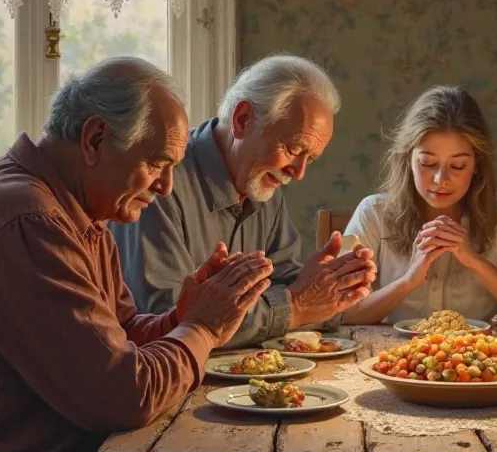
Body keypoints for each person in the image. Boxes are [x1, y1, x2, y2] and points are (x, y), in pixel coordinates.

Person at [0, 57, 275, 452]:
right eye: (157, 163)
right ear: (95, 139)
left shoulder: (77, 210)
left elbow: (117, 332)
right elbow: (123, 395)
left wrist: (177, 320)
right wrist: (202, 328)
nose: (165, 187)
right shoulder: (28, 218)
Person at [111, 54, 377, 348]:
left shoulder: (262, 181)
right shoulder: (160, 182)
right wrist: (297, 306)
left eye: (310, 159)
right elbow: (170, 319)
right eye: (292, 149)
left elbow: (286, 289)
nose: (298, 173)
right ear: (242, 119)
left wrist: (330, 284)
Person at [340, 85, 497, 325]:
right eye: (427, 163)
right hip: (389, 357)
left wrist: (474, 261)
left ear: (477, 165)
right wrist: (409, 280)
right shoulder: (374, 213)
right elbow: (342, 313)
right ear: (407, 160)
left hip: (480, 357)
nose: (440, 180)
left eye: (457, 166)